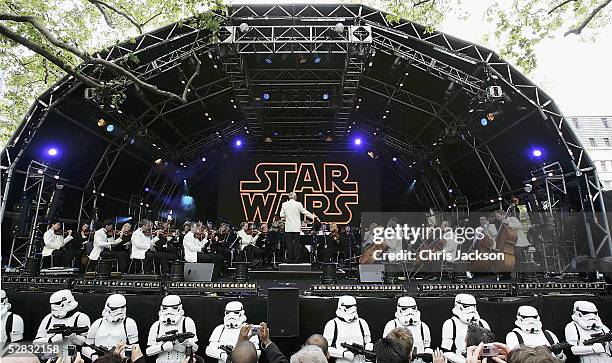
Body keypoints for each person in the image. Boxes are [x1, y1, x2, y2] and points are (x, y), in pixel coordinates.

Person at [34, 290, 90, 358]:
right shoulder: (49, 318)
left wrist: (73, 337)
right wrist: (51, 340)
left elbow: (86, 343)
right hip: (50, 355)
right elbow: (36, 342)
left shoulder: (81, 318)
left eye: (57, 303)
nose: (54, 306)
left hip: (70, 355)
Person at [82, 294, 139, 361]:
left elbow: (135, 348)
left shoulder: (129, 323)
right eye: (113, 309)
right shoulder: (97, 323)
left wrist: (122, 356)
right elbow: (86, 347)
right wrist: (93, 356)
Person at [146, 295, 198, 363]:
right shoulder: (156, 325)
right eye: (165, 308)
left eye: (174, 308)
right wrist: (162, 347)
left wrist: (185, 342)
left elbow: (195, 348)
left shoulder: (187, 322)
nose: (169, 312)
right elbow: (148, 351)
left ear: (179, 308)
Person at [323, 295, 372, 363]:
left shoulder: (362, 323)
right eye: (348, 307)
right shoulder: (332, 325)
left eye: (354, 306)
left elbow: (368, 342)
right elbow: (326, 348)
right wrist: (343, 354)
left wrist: (368, 348)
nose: (353, 309)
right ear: (341, 307)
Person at [280, 192, 317, 263]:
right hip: (296, 227)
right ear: (294, 197)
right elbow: (304, 212)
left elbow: (281, 215)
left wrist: (285, 219)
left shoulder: (284, 204)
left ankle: (290, 259)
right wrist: (313, 217)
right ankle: (297, 260)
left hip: (288, 227)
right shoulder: (298, 204)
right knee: (296, 244)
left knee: (289, 244)